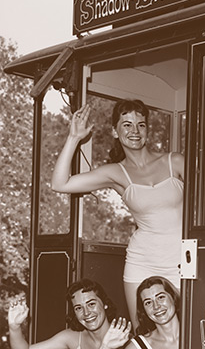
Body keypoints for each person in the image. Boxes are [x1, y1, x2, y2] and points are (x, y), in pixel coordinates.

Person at [51, 99, 184, 329]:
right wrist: (74, 137)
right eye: (127, 125)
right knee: (144, 334)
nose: (135, 131)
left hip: (182, 260)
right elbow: (60, 183)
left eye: (141, 125)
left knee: (183, 332)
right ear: (115, 130)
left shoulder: (175, 161)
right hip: (142, 261)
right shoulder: (116, 173)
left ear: (147, 130)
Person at [8, 278, 131, 349]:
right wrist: (14, 328)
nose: (86, 312)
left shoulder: (126, 341)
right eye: (78, 308)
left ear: (105, 303)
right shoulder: (72, 338)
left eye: (91, 304)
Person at [128, 276, 180, 349]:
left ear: (173, 298)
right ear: (144, 310)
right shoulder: (138, 346)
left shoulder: (198, 333)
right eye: (148, 302)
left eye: (160, 297)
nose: (156, 306)